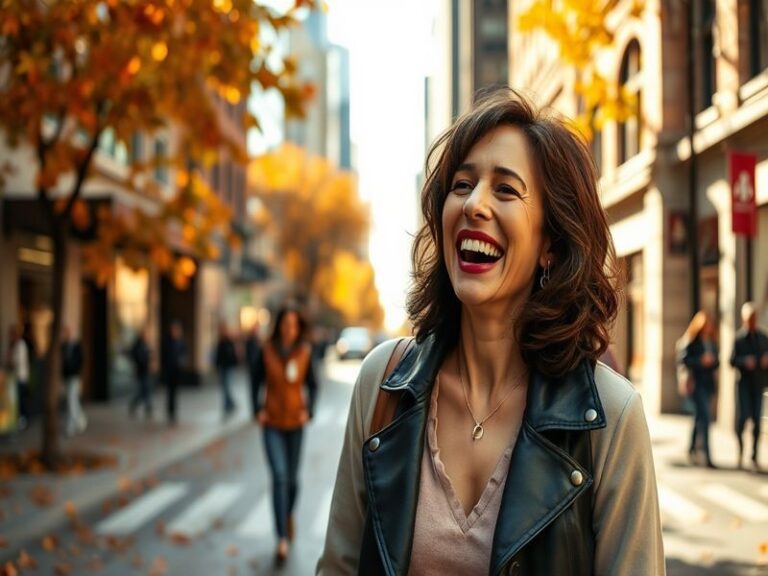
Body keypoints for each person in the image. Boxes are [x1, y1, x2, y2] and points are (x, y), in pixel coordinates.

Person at [317, 89, 664, 575]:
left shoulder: (610, 417)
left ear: (549, 243)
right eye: (462, 185)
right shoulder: (383, 385)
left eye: (506, 189)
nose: (474, 204)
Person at [252, 305, 318, 564]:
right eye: (285, 324)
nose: (289, 329)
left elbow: (313, 385)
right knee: (279, 477)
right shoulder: (266, 350)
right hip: (272, 425)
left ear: (298, 327)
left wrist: (309, 411)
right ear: (279, 325)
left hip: (295, 425)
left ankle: (286, 514)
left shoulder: (305, 352)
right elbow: (254, 379)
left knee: (292, 481)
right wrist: (257, 408)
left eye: (294, 324)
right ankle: (281, 538)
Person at [678, 310, 719, 468]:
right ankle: (707, 456)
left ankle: (691, 448)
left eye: (710, 325)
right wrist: (700, 361)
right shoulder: (692, 341)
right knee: (706, 419)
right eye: (706, 325)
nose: (709, 328)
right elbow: (683, 359)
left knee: (699, 418)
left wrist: (712, 361)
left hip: (708, 384)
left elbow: (718, 362)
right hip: (696, 384)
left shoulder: (712, 342)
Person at [730, 302, 768, 470]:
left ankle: (753, 455)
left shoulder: (763, 338)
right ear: (744, 319)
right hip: (744, 384)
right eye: (749, 319)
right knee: (743, 418)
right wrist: (744, 362)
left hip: (758, 384)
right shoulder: (738, 339)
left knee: (757, 422)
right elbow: (731, 360)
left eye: (754, 318)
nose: (752, 321)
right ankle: (740, 450)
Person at [60, 325, 86, 436]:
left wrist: (77, 372)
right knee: (73, 400)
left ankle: (71, 426)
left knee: (71, 401)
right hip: (66, 377)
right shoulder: (63, 346)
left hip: (74, 377)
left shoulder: (77, 346)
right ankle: (81, 421)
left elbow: (81, 361)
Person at [5, 324, 30, 430]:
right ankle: (20, 419)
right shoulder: (13, 345)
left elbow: (18, 361)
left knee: (21, 400)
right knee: (17, 400)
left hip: (21, 377)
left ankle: (24, 420)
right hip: (15, 377)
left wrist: (10, 359)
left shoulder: (21, 345)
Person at [163, 321, 187, 425]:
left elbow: (185, 353)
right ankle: (170, 411)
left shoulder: (181, 342)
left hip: (177, 371)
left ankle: (173, 411)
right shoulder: (167, 341)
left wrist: (182, 360)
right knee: (170, 392)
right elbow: (164, 355)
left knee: (174, 392)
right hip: (169, 370)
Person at [214, 323, 239, 419]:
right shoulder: (220, 342)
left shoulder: (229, 342)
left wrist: (234, 363)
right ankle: (230, 403)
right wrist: (217, 365)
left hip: (229, 367)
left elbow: (233, 355)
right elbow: (218, 355)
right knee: (224, 387)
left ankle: (227, 405)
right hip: (222, 367)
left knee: (227, 386)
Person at [129, 328, 153, 419]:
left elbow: (150, 356)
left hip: (146, 370)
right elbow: (135, 356)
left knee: (145, 389)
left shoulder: (145, 345)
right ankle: (144, 406)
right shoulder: (137, 346)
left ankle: (146, 406)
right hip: (140, 370)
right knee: (144, 390)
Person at [244, 323, 262, 411]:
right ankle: (255, 407)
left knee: (258, 389)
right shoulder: (250, 341)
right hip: (253, 368)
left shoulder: (258, 341)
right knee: (254, 389)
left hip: (258, 368)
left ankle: (258, 406)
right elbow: (249, 355)